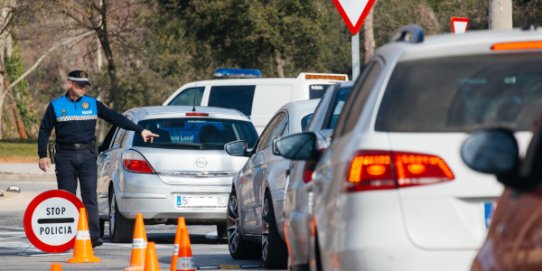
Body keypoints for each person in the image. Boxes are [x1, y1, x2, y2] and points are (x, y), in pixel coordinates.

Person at [37, 70, 158, 248]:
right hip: (65, 156)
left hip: (87, 156)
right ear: (69, 84)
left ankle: (93, 236)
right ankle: (67, 236)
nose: (83, 88)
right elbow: (44, 130)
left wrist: (140, 130)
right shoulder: (56, 105)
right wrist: (42, 155)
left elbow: (116, 118)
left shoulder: (92, 103)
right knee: (66, 198)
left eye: (85, 85)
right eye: (79, 85)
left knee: (90, 197)